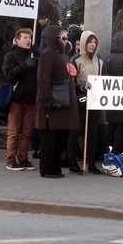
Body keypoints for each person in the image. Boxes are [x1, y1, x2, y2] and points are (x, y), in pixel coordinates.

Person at [36, 26, 79, 178]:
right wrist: (46, 100)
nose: (66, 41)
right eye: (63, 38)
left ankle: (55, 168)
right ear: (54, 38)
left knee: (60, 138)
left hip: (63, 103)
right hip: (52, 104)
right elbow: (43, 79)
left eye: (67, 38)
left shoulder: (63, 55)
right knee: (50, 139)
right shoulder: (48, 55)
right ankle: (47, 169)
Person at [2, 28, 39, 172]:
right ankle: (10, 159)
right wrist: (25, 66)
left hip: (30, 99)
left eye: (29, 37)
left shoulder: (34, 55)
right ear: (17, 40)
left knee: (27, 131)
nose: (28, 40)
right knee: (14, 130)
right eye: (25, 37)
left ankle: (23, 158)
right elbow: (10, 75)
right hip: (16, 99)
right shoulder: (11, 56)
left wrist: (38, 53)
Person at [70, 30, 104, 173]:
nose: (92, 44)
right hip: (79, 100)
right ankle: (73, 163)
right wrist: (81, 86)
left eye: (94, 42)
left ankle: (91, 162)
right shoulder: (75, 60)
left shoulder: (100, 61)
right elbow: (71, 81)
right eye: (90, 42)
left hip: (94, 101)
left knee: (93, 132)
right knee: (76, 131)